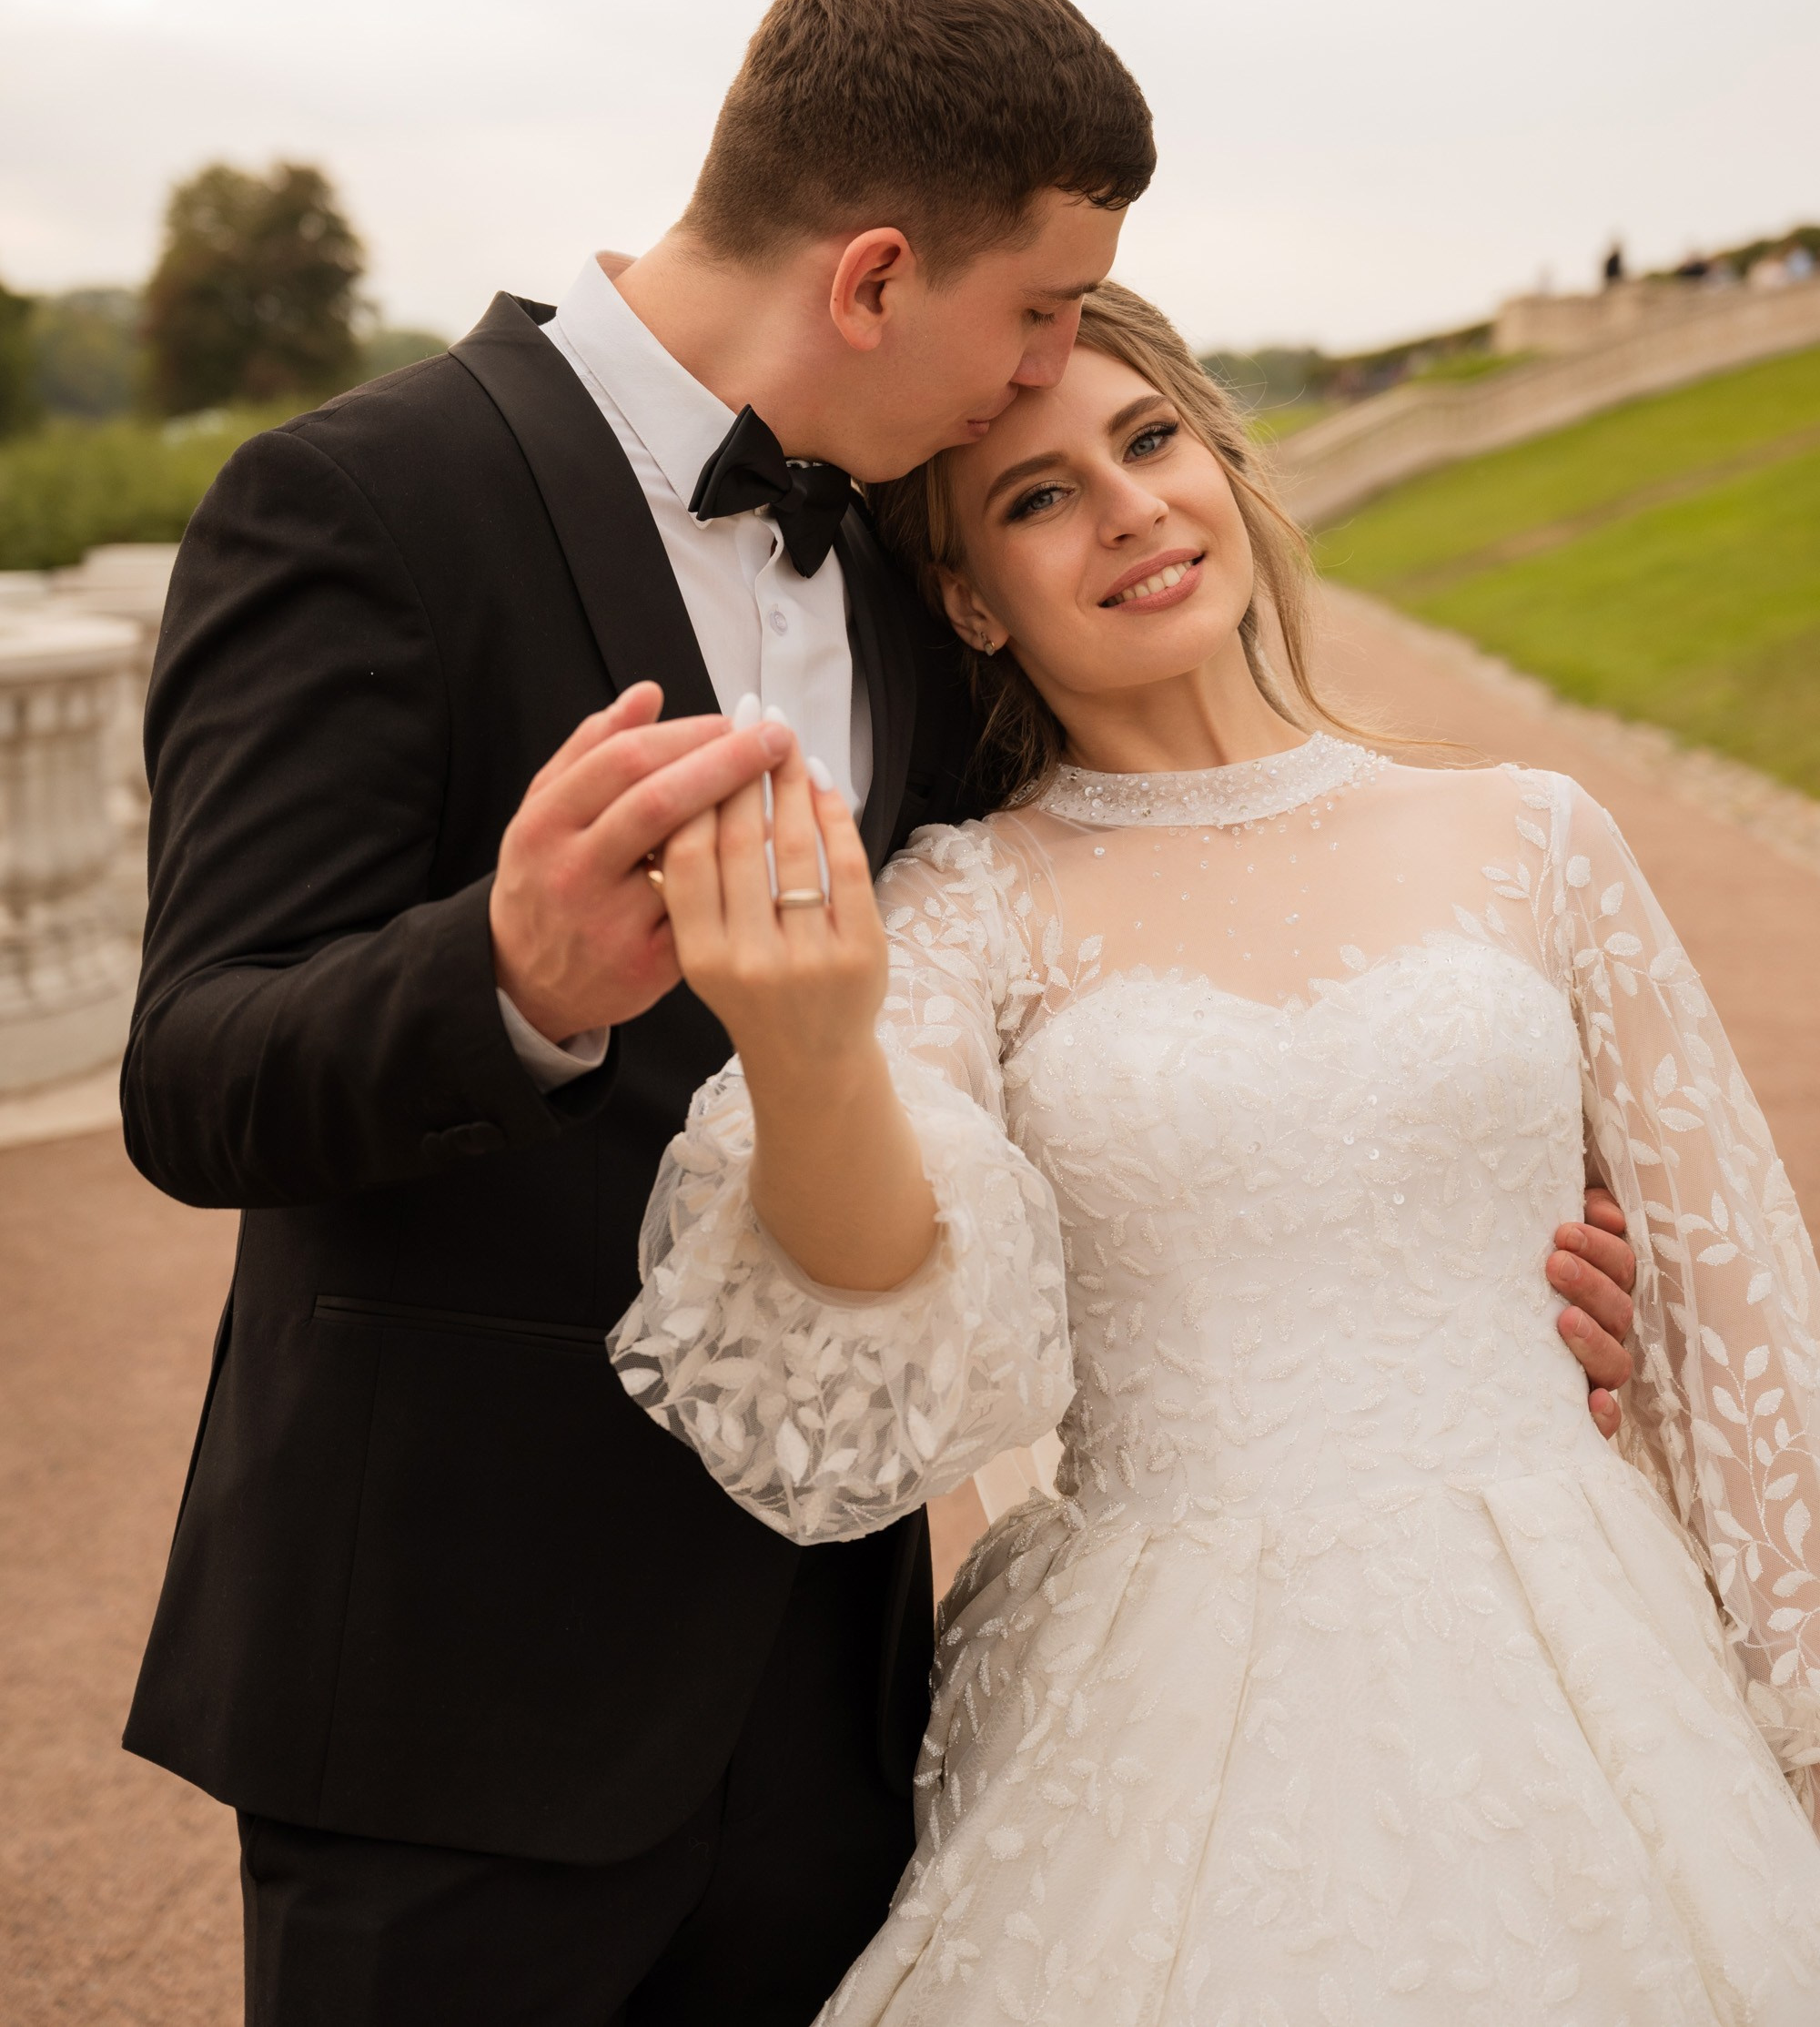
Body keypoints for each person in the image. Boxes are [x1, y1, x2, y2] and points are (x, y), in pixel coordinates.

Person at [121, 0, 1634, 2027]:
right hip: (452, 1704)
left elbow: (1131, 975)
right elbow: (191, 1070)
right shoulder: (360, 501)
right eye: (1028, 320)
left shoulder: (918, 587)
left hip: (840, 1713)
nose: (1042, 375)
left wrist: (1465, 1242)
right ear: (869, 279)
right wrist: (507, 969)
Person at [613, 279, 1820, 2023]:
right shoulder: (970, 909)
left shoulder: (1533, 837)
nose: (1127, 511)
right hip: (1171, 1705)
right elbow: (875, 1271)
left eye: (1150, 438)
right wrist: (807, 1064)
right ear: (966, 593)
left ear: (1223, 464)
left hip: (1581, 1649)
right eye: (1038, 496)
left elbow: (1737, 1322)